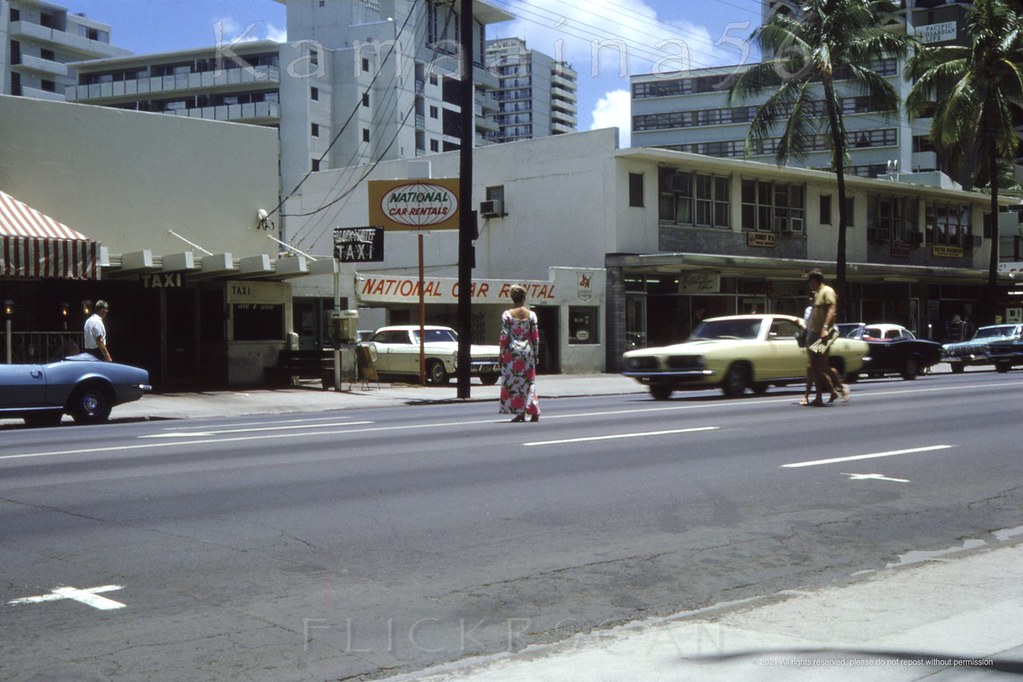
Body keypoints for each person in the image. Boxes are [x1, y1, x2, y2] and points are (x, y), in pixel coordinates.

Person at [804, 270, 849, 406]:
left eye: (810, 282)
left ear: (814, 281)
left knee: (818, 365)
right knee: (816, 366)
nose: (809, 285)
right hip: (814, 333)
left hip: (824, 334)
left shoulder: (827, 291)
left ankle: (841, 387)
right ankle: (822, 396)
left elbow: (832, 310)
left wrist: (824, 328)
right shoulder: (817, 294)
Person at [499, 284, 540, 422]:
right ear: (524, 298)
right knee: (529, 382)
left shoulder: (507, 315)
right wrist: (536, 354)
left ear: (512, 298)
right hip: (527, 351)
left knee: (515, 383)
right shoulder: (532, 315)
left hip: (512, 353)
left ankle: (520, 412)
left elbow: (504, 336)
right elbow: (535, 337)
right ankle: (534, 411)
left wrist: (501, 353)